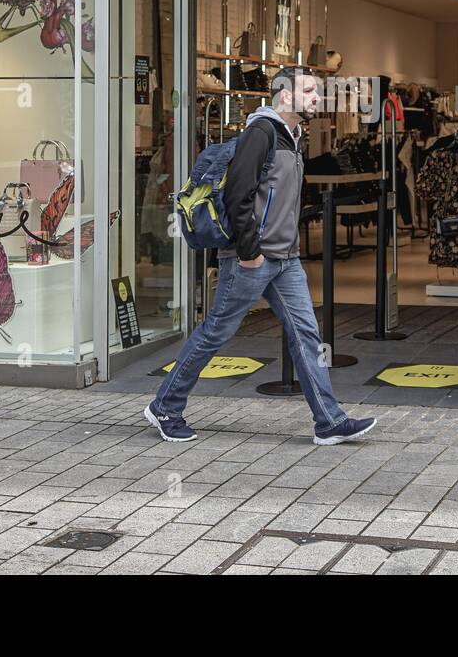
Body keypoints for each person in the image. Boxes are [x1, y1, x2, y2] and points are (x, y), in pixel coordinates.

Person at [146, 69, 376, 446]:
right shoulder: (261, 133)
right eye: (309, 91)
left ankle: (329, 421)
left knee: (307, 335)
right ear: (285, 97)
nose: (317, 97)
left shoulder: (291, 137)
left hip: (285, 260)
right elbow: (238, 195)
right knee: (215, 331)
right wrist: (250, 253)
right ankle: (165, 406)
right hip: (251, 259)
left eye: (317, 91)